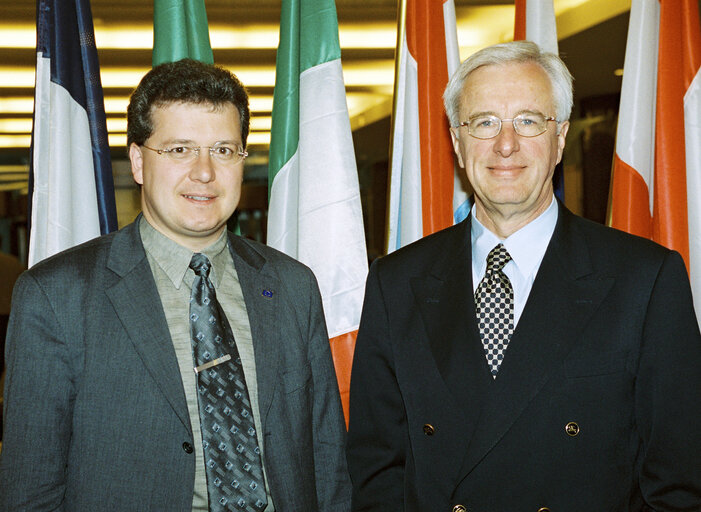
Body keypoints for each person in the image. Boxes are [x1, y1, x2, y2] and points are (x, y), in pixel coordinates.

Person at [346, 41, 701, 511]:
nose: (505, 144)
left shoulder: (646, 280)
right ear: (456, 140)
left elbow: (679, 485)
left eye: (529, 121)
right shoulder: (396, 283)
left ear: (560, 139)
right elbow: (377, 477)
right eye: (484, 122)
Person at [1, 59, 350, 511]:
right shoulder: (56, 296)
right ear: (139, 162)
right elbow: (31, 490)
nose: (204, 172)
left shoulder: (292, 286)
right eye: (180, 149)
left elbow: (327, 463)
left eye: (223, 150)